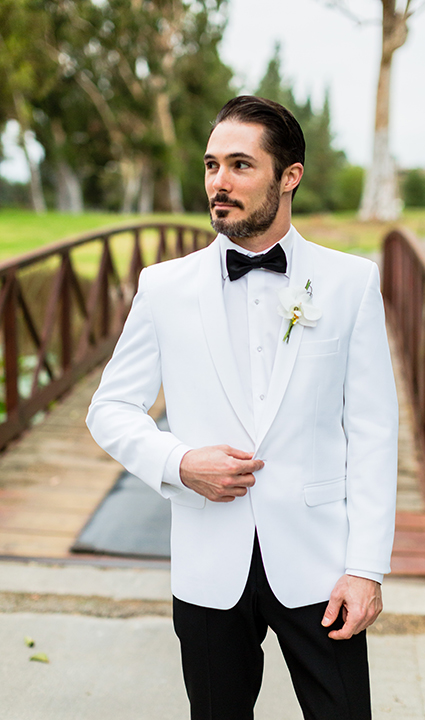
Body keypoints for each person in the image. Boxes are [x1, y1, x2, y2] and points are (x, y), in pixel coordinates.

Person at [86, 95, 398, 720]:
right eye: (210, 166)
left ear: (290, 176)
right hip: (208, 563)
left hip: (321, 566)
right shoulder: (164, 286)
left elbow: (372, 431)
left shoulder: (350, 284)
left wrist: (367, 569)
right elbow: (110, 408)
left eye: (239, 165)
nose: (218, 183)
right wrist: (178, 462)